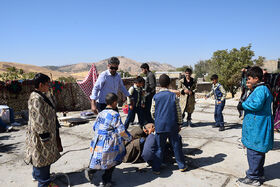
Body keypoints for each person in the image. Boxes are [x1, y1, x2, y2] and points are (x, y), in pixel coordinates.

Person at [236, 66, 274, 186]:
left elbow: (256, 105)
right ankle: (259, 173)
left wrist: (243, 105)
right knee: (259, 152)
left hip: (257, 127)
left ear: (256, 79)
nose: (248, 81)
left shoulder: (260, 90)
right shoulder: (261, 88)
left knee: (253, 152)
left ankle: (253, 177)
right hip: (258, 125)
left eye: (249, 78)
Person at [85, 93, 132, 187]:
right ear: (114, 102)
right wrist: (129, 138)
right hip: (109, 142)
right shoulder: (115, 115)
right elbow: (121, 131)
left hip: (98, 141)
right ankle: (106, 181)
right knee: (112, 161)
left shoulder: (100, 113)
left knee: (99, 160)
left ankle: (91, 170)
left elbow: (95, 127)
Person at [24, 73, 61, 187]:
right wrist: (45, 137)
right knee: (42, 158)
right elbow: (38, 119)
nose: (49, 86)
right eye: (47, 84)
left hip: (45, 133)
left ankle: (37, 176)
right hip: (42, 135)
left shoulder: (41, 95)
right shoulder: (36, 98)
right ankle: (44, 183)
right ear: (41, 85)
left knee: (39, 157)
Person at [151, 74, 187, 174]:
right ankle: (182, 166)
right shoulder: (173, 96)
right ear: (169, 84)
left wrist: (157, 120)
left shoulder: (155, 97)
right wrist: (180, 123)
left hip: (160, 126)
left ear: (159, 84)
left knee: (159, 148)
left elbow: (152, 112)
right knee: (176, 147)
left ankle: (156, 169)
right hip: (172, 126)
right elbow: (179, 111)